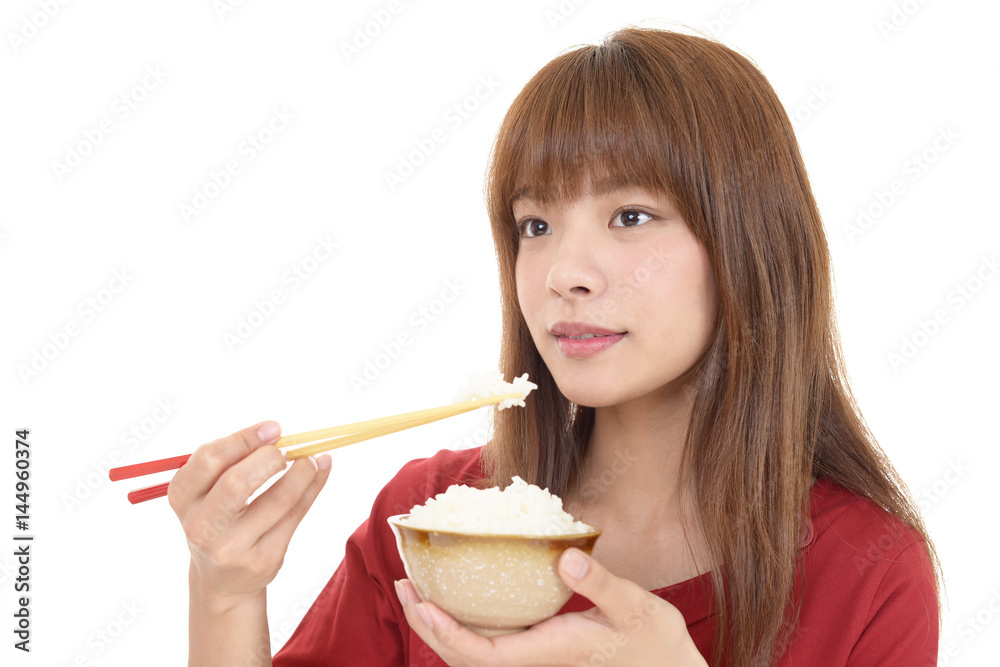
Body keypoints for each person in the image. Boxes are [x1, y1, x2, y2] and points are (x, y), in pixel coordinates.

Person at [169, 26, 942, 666]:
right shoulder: (433, 523)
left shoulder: (869, 570)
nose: (563, 274)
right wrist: (225, 592)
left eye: (630, 216)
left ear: (751, 242)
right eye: (535, 224)